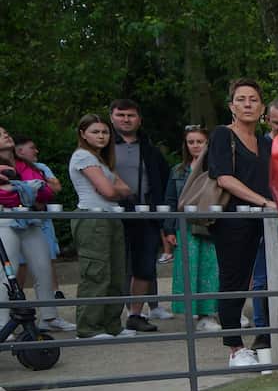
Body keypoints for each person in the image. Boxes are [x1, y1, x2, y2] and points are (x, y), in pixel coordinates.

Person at [207, 79, 276, 366]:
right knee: (234, 280)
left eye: (253, 100)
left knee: (273, 278)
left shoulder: (265, 142)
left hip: (267, 220)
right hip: (234, 219)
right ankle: (234, 346)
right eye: (241, 99)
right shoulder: (224, 135)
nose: (248, 104)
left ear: (262, 108)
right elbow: (223, 177)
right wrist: (262, 201)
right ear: (231, 106)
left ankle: (273, 337)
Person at [109, 99, 172, 332]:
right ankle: (108, 316)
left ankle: (135, 314)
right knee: (112, 265)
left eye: (131, 115)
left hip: (145, 214)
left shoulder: (150, 150)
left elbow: (164, 181)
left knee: (144, 265)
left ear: (139, 119)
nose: (126, 119)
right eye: (121, 115)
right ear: (112, 117)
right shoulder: (102, 147)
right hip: (113, 212)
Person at [68, 114, 133, 338]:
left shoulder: (102, 160)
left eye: (105, 132)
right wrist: (113, 190)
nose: (101, 136)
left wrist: (114, 189)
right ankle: (88, 328)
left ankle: (112, 325)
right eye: (95, 132)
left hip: (110, 218)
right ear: (82, 134)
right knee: (96, 273)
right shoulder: (82, 156)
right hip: (92, 219)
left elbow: (124, 189)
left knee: (116, 273)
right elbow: (109, 191)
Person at [5, 133, 73, 330]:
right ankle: (2, 323)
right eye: (2, 135)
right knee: (7, 274)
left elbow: (47, 192)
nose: (6, 136)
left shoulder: (26, 165)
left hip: (31, 220)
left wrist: (19, 189)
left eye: (7, 134)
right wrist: (27, 191)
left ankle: (49, 318)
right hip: (6, 221)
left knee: (44, 269)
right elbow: (6, 195)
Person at [247, 99, 278, 349]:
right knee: (261, 278)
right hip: (265, 216)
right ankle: (262, 330)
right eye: (275, 123)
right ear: (267, 120)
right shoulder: (259, 146)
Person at [164, 126, 220, 330]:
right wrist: (169, 230)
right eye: (191, 142)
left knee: (211, 270)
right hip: (185, 228)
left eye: (200, 141)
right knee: (188, 270)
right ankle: (192, 313)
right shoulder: (178, 170)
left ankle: (209, 314)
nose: (195, 146)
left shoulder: (214, 167)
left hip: (209, 225)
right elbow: (170, 200)